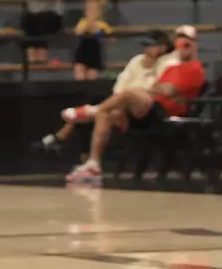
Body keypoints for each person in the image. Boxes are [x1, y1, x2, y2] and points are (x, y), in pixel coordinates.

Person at [64, 27, 206, 184]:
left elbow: (167, 90)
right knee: (108, 115)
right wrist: (156, 87)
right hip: (146, 109)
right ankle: (93, 165)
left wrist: (156, 87)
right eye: (179, 40)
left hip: (165, 114)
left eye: (187, 43)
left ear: (195, 45)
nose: (183, 45)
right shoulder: (172, 66)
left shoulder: (193, 68)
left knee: (129, 93)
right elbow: (156, 87)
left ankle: (93, 110)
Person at [43, 30, 173, 150]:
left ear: (163, 47)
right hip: (122, 103)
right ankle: (85, 154)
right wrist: (120, 98)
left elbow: (154, 88)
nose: (146, 49)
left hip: (147, 109)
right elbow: (121, 84)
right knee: (98, 106)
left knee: (105, 110)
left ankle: (65, 133)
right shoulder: (137, 60)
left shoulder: (168, 63)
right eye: (145, 45)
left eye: (150, 45)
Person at [70, 0, 113, 80]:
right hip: (82, 52)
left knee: (91, 76)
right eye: (89, 10)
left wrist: (99, 31)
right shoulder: (83, 22)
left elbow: (111, 39)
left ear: (100, 12)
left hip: (95, 53)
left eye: (94, 10)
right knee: (79, 73)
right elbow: (78, 32)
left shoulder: (103, 25)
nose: (91, 12)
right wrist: (89, 22)